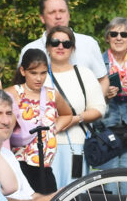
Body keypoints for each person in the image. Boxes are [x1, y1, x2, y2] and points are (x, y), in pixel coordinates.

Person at [46, 25, 107, 189]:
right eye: (55, 42)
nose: (60, 47)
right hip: (44, 148)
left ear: (72, 48)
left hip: (76, 148)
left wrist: (76, 119)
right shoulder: (39, 75)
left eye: (66, 44)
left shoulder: (84, 73)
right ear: (47, 46)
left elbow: (99, 108)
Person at [6, 48, 64, 193]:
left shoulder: (52, 94)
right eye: (33, 73)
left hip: (45, 164)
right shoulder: (12, 93)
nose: (39, 78)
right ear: (23, 71)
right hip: (20, 161)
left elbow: (67, 114)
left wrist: (56, 127)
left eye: (43, 73)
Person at [19, 0, 107, 86]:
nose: (58, 16)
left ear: (68, 14)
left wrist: (94, 100)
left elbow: (102, 80)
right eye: (52, 12)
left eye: (62, 11)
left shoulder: (88, 44)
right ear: (42, 18)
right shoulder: (29, 49)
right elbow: (21, 87)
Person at [98, 17, 127, 170]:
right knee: (110, 185)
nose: (118, 38)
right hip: (106, 128)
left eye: (124, 34)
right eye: (114, 34)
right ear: (107, 37)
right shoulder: (97, 63)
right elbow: (88, 100)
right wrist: (104, 95)